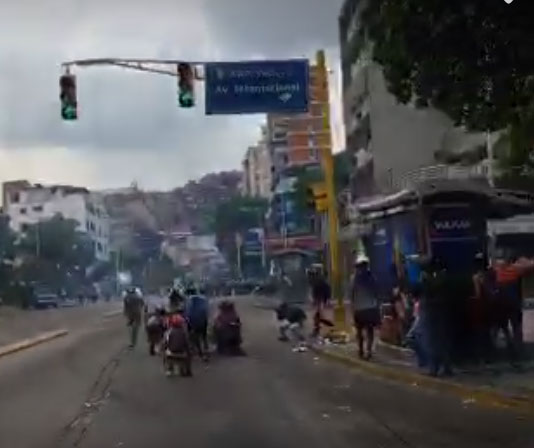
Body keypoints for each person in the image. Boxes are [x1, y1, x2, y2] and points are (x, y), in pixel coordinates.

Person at [493, 253, 534, 363]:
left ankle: (507, 352)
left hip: (501, 305)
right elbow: (529, 266)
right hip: (513, 304)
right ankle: (518, 353)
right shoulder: (514, 270)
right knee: (516, 328)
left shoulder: (499, 271)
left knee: (504, 329)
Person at [420, 257, 453, 377]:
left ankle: (434, 368)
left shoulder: (431, 279)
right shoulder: (443, 278)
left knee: (432, 340)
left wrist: (425, 279)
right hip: (441, 310)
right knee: (441, 340)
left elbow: (427, 291)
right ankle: (446, 366)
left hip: (432, 311)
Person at [350, 255, 380, 360]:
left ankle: (363, 350)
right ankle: (367, 350)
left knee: (361, 331)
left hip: (361, 309)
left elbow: (351, 295)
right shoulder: (372, 278)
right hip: (369, 308)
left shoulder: (354, 279)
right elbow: (376, 293)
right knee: (368, 330)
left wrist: (352, 308)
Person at [185, 287, 210, 361]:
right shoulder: (203, 299)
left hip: (193, 321)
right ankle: (206, 351)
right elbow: (207, 310)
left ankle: (200, 353)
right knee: (204, 337)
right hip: (203, 321)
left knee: (194, 337)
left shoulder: (188, 300)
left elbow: (187, 313)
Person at [308, 267, 334, 338]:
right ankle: (319, 328)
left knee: (317, 316)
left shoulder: (318, 281)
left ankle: (325, 326)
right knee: (317, 316)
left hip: (320, 300)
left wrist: (327, 299)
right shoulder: (316, 281)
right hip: (320, 300)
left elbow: (325, 289)